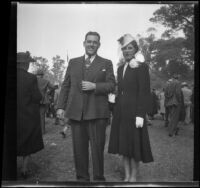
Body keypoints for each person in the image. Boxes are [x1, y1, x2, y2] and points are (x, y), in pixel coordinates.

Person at [56, 31, 115, 181]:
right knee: (79, 152)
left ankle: (98, 181)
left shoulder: (106, 63)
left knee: (97, 151)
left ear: (99, 45)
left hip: (97, 114)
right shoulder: (73, 62)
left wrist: (95, 86)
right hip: (76, 114)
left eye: (95, 42)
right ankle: (82, 181)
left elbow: (111, 85)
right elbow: (66, 85)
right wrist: (60, 106)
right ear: (84, 43)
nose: (91, 44)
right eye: (89, 41)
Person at [108, 34, 153, 182]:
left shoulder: (142, 67)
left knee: (134, 146)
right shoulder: (120, 69)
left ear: (135, 49)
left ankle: (133, 177)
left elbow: (144, 92)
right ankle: (126, 175)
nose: (127, 51)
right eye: (124, 48)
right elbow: (121, 91)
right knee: (124, 146)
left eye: (130, 48)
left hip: (135, 113)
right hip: (121, 113)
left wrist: (141, 114)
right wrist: (113, 100)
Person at [17, 51, 44, 178]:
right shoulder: (30, 78)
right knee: (27, 142)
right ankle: (24, 169)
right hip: (26, 116)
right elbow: (37, 97)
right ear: (26, 64)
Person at [36, 69, 54, 134]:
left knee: (34, 115)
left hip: (34, 100)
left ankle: (36, 130)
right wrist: (48, 92)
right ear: (42, 75)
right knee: (42, 116)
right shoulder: (46, 81)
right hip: (43, 100)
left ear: (37, 75)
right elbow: (53, 87)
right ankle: (43, 131)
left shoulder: (33, 80)